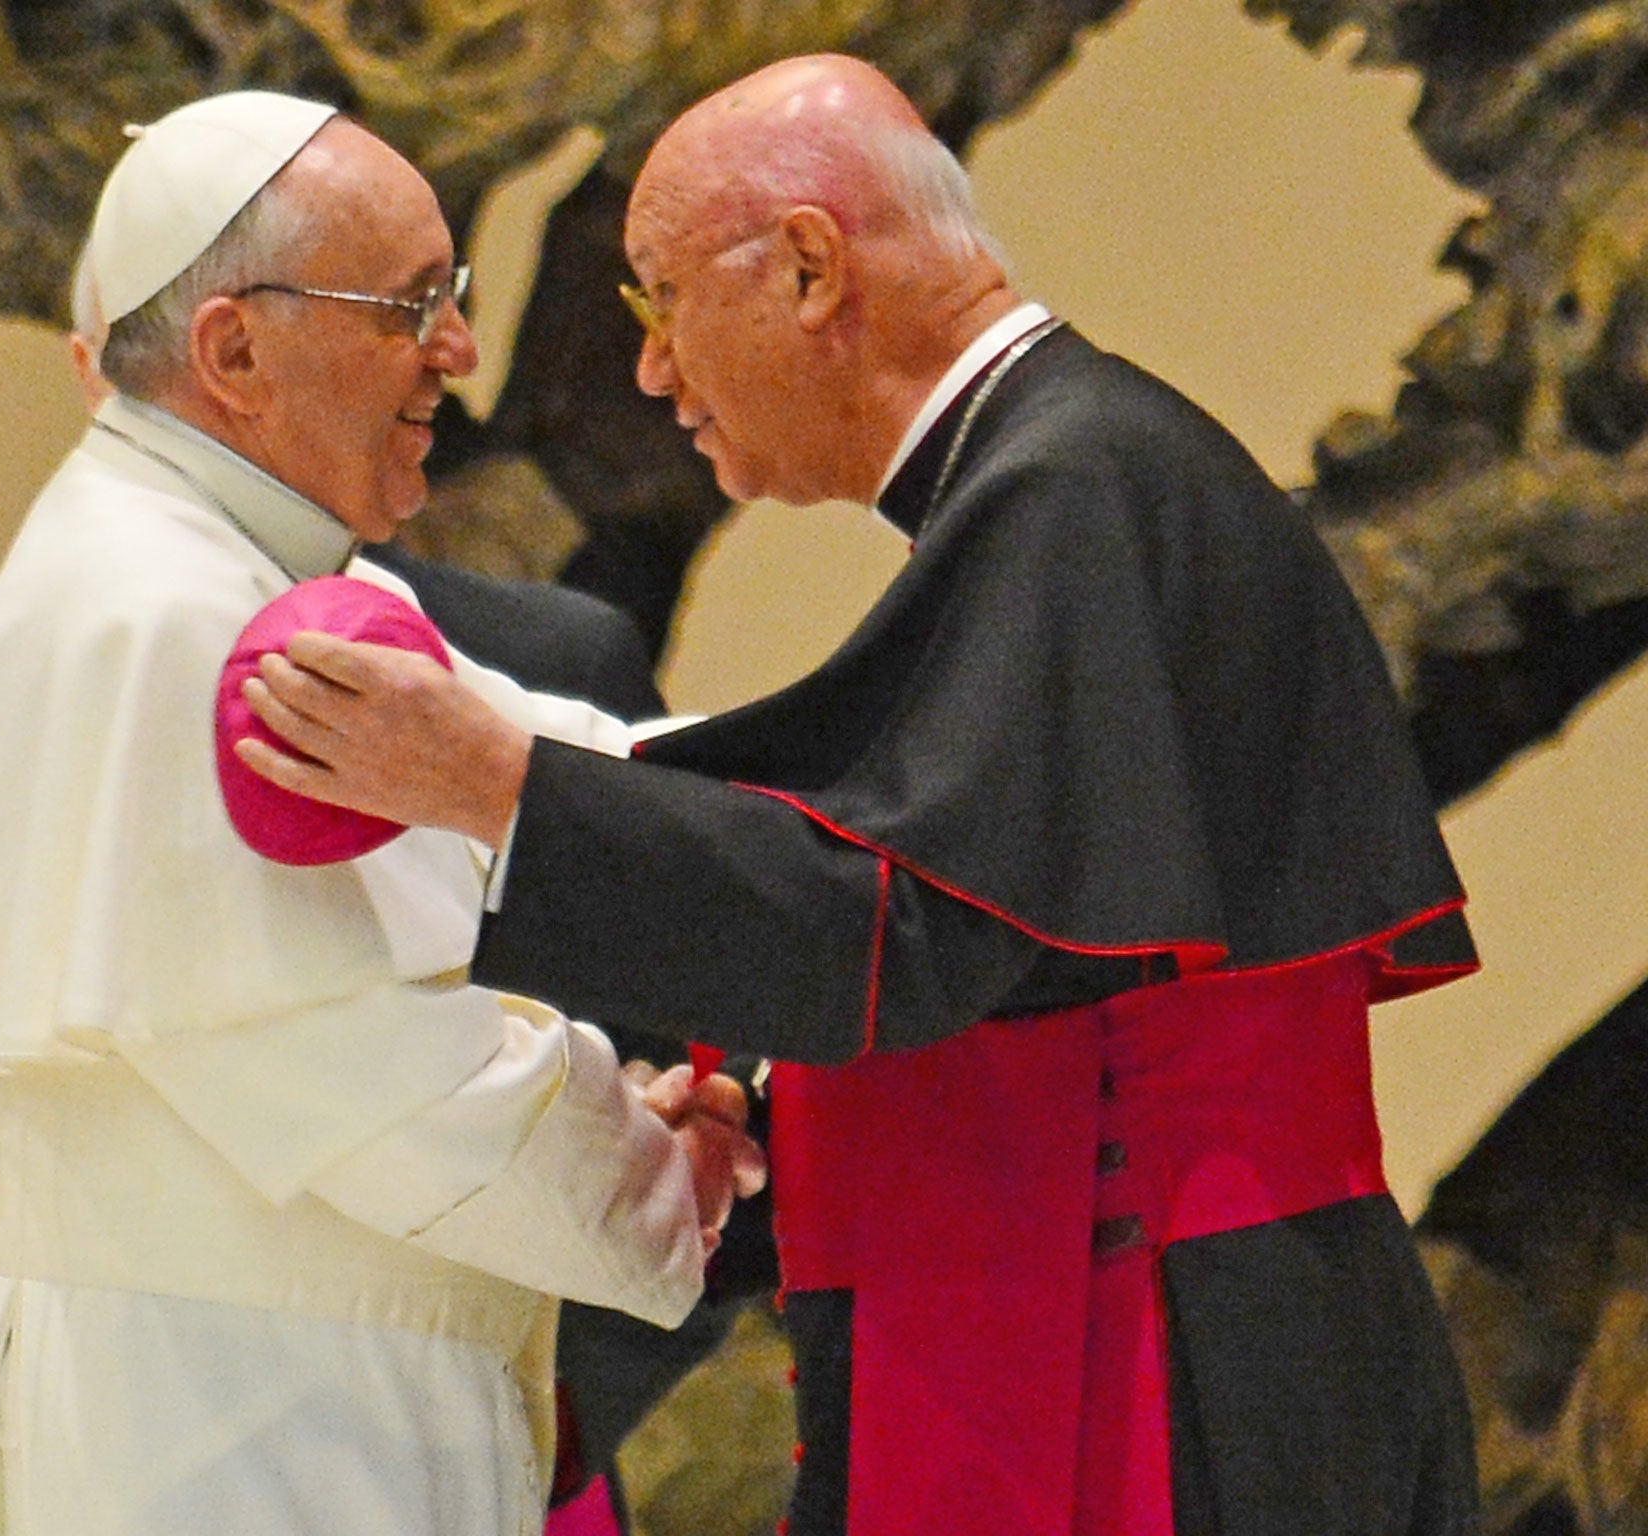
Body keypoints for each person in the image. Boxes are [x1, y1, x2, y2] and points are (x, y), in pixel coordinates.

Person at [231, 54, 1485, 1536]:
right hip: (1197, 1307)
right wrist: (775, 1116)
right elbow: (995, 936)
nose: (650, 371)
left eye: (656, 302)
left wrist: (501, 787)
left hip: (1174, 1348)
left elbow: (895, 930)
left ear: (812, 267)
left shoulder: (1070, 485)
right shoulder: (1069, 472)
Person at [0, 89, 762, 1536]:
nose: (460, 349)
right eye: (411, 306)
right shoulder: (161, 614)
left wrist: (854, 794)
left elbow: (560, 766)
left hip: (263, 1393)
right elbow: (356, 1064)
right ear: (234, 352)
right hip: (199, 1427)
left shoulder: (248, 564)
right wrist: (658, 1169)